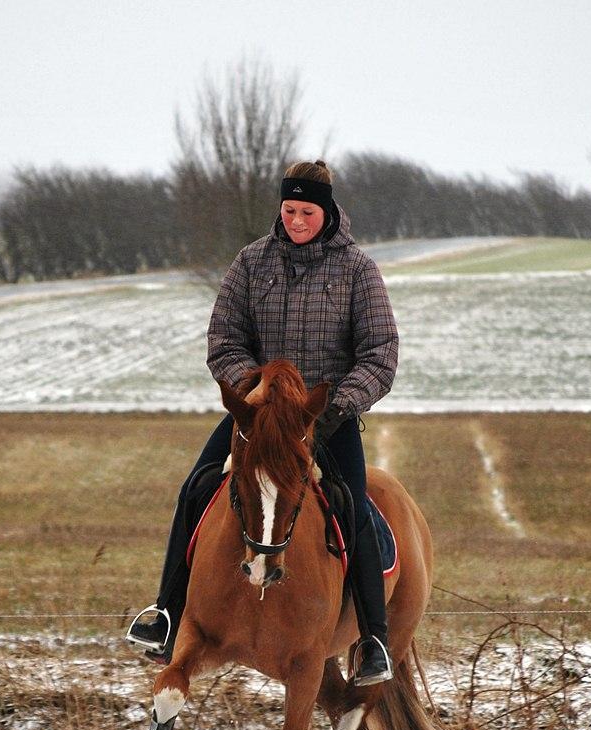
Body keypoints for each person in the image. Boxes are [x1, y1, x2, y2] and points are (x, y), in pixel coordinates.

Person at [127, 159, 399, 685]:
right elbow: (223, 341)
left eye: (306, 211)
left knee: (353, 507)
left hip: (326, 418)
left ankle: (373, 641)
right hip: (256, 417)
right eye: (289, 209)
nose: (296, 220)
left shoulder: (358, 271)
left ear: (327, 213)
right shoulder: (251, 262)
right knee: (197, 487)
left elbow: (380, 355)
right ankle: (164, 614)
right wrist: (252, 394)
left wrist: (335, 405)